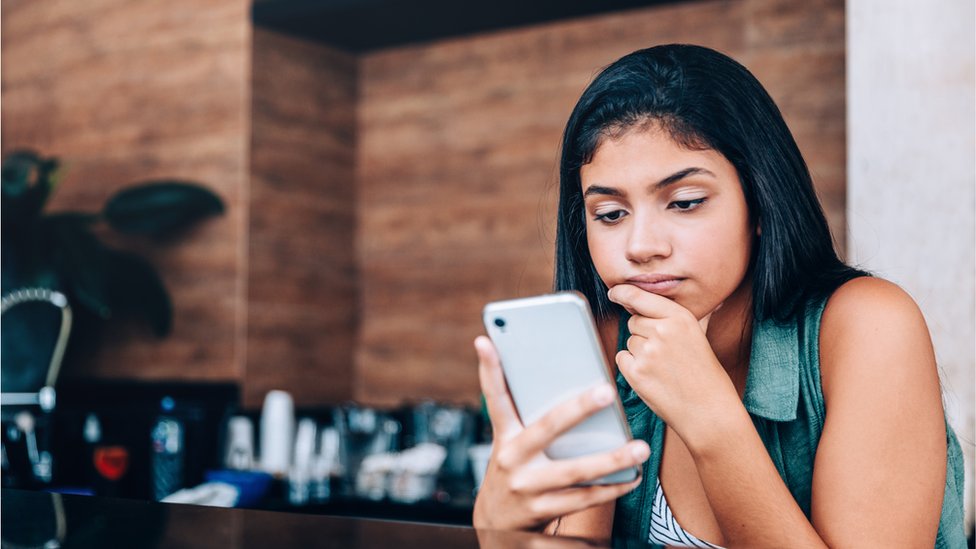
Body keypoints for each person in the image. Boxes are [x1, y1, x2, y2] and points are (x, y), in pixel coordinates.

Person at [471, 44, 966, 548]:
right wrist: (503, 533)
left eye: (685, 203)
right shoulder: (597, 347)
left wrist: (711, 421)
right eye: (610, 214)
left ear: (759, 201)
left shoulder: (867, 327)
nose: (641, 247)